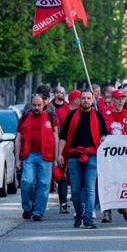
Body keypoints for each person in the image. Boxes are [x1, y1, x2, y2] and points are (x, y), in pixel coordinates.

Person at [59, 89, 108, 229]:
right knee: (75, 190)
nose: (86, 100)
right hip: (74, 157)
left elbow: (104, 134)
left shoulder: (98, 116)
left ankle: (88, 218)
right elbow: (63, 137)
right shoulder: (71, 116)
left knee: (90, 188)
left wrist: (103, 139)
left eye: (88, 98)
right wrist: (59, 154)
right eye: (83, 98)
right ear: (79, 100)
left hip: (92, 156)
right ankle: (79, 214)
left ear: (93, 99)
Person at [15, 94, 61, 221]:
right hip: (29, 155)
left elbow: (56, 138)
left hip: (46, 155)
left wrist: (57, 156)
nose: (36, 107)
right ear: (30, 105)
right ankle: (27, 207)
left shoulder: (51, 117)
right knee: (26, 181)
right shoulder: (24, 118)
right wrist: (17, 159)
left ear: (44, 105)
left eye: (39, 105)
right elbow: (18, 139)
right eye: (34, 105)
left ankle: (38, 211)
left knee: (44, 184)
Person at [101, 89, 127, 223]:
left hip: (124, 154)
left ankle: (124, 206)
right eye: (118, 98)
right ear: (113, 99)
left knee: (124, 179)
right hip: (109, 154)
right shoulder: (106, 112)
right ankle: (106, 212)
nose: (121, 101)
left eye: (123, 98)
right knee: (107, 180)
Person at [51, 85, 71, 214]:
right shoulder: (49, 107)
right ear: (54, 93)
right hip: (51, 144)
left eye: (63, 92)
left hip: (64, 144)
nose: (61, 94)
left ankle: (63, 202)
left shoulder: (67, 108)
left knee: (62, 175)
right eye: (58, 92)